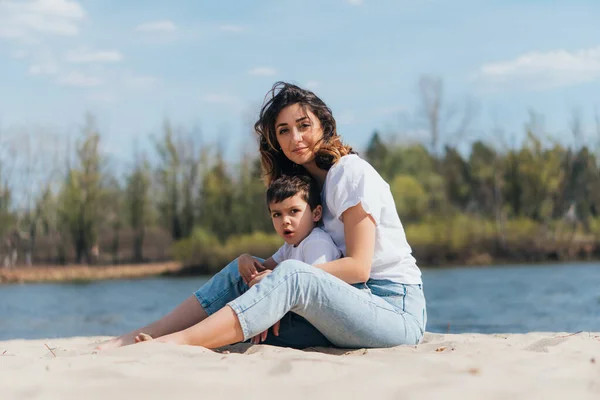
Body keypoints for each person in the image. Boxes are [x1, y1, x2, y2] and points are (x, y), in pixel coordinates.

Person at [99, 82, 426, 350]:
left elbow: (358, 267)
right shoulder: (311, 187)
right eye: (284, 131)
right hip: (348, 305)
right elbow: (279, 266)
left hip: (392, 309)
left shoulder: (349, 173)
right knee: (244, 269)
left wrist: (280, 278)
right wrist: (258, 268)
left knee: (292, 274)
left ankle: (175, 344)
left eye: (303, 126)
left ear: (324, 126)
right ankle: (145, 335)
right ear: (275, 141)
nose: (295, 138)